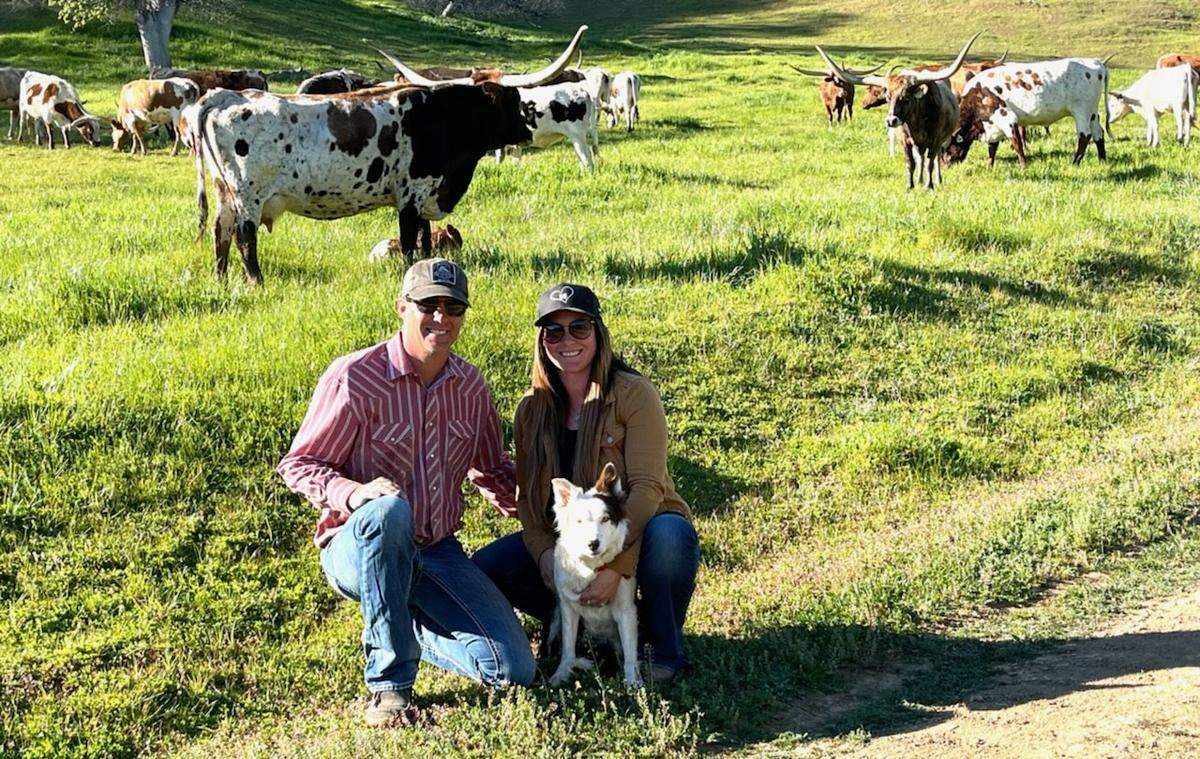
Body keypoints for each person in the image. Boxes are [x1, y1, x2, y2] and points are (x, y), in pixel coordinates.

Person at [277, 258, 535, 727]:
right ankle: (389, 688)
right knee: (389, 511)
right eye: (429, 304)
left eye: (453, 306)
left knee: (514, 671)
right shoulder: (355, 377)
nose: (442, 317)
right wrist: (354, 494)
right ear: (402, 307)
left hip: (436, 552)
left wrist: (552, 513)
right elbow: (299, 464)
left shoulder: (470, 386)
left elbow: (491, 469)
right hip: (358, 544)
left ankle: (403, 622)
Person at [473, 283, 700, 684]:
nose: (567, 341)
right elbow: (528, 500)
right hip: (571, 542)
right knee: (487, 568)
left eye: (579, 327)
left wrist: (618, 566)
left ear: (598, 332)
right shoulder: (531, 409)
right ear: (542, 342)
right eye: (554, 331)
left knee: (671, 537)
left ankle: (661, 648)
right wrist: (545, 554)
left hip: (636, 531)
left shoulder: (634, 393)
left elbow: (648, 488)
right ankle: (575, 628)